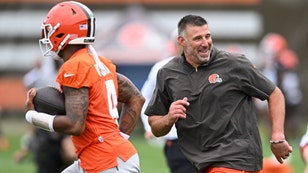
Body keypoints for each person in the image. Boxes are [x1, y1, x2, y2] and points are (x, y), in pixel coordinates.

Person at [144, 14, 292, 173]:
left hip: (235, 158)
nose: (205, 43)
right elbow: (155, 125)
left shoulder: (234, 63)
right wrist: (169, 118)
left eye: (207, 36)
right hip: (198, 161)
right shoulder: (168, 73)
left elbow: (274, 93)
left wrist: (277, 137)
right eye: (198, 38)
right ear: (181, 41)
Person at [24, 1, 144, 173]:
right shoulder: (100, 63)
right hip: (102, 157)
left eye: (51, 30)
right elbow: (136, 98)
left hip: (107, 162)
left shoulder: (75, 66)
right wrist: (120, 138)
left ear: (64, 32)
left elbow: (74, 125)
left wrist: (32, 116)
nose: (48, 36)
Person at [140, 29, 197, 173]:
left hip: (206, 139)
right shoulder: (162, 69)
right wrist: (149, 126)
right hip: (177, 139)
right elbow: (145, 97)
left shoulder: (207, 67)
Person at [14, 57, 77, 173]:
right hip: (46, 137)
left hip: (64, 132)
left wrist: (69, 138)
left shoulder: (73, 72)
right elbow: (36, 115)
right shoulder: (44, 75)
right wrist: (26, 147)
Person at [256, 33, 302, 139]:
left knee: (262, 103)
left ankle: (283, 131)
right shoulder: (272, 66)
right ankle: (275, 133)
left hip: (287, 98)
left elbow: (287, 88)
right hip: (284, 97)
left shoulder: (285, 63)